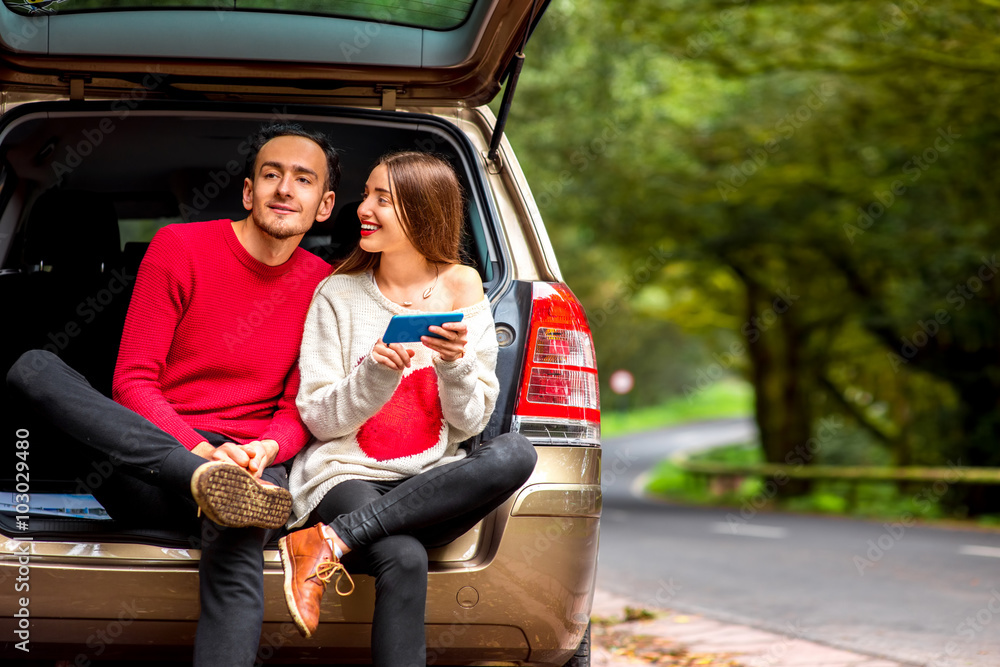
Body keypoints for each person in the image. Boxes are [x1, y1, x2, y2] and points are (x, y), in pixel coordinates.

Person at [6, 122, 340, 666]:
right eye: (272, 174)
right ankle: (208, 485)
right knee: (33, 368)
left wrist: (262, 452)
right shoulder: (180, 247)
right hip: (154, 463)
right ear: (248, 191)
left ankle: (224, 492)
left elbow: (300, 409)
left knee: (239, 524)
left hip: (254, 470)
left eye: (303, 180)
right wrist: (199, 455)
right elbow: (132, 382)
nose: (285, 189)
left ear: (323, 204)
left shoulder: (325, 287)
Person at [277, 151, 537, 666]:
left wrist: (454, 365)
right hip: (345, 475)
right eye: (367, 193)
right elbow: (320, 419)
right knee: (404, 555)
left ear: (423, 211)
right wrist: (374, 373)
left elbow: (471, 423)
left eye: (383, 199)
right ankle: (332, 534)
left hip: (431, 482)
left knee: (517, 454)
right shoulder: (338, 293)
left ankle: (328, 543)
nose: (363, 209)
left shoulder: (463, 286)